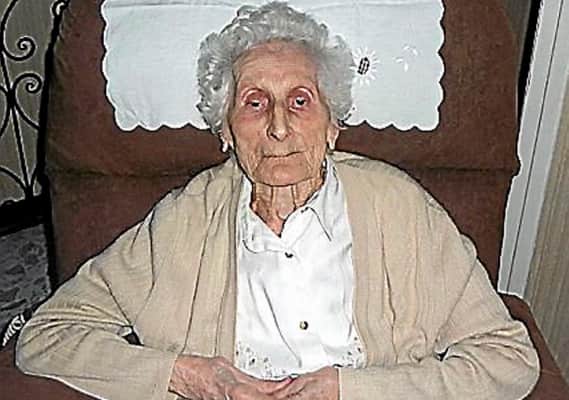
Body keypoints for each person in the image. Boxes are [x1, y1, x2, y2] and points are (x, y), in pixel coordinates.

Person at [17, 2, 539, 399]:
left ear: (333, 125)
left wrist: (355, 390)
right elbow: (47, 336)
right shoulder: (184, 221)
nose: (279, 126)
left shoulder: (399, 209)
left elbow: (508, 359)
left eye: (300, 100)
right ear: (225, 132)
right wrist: (190, 376)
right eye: (254, 102)